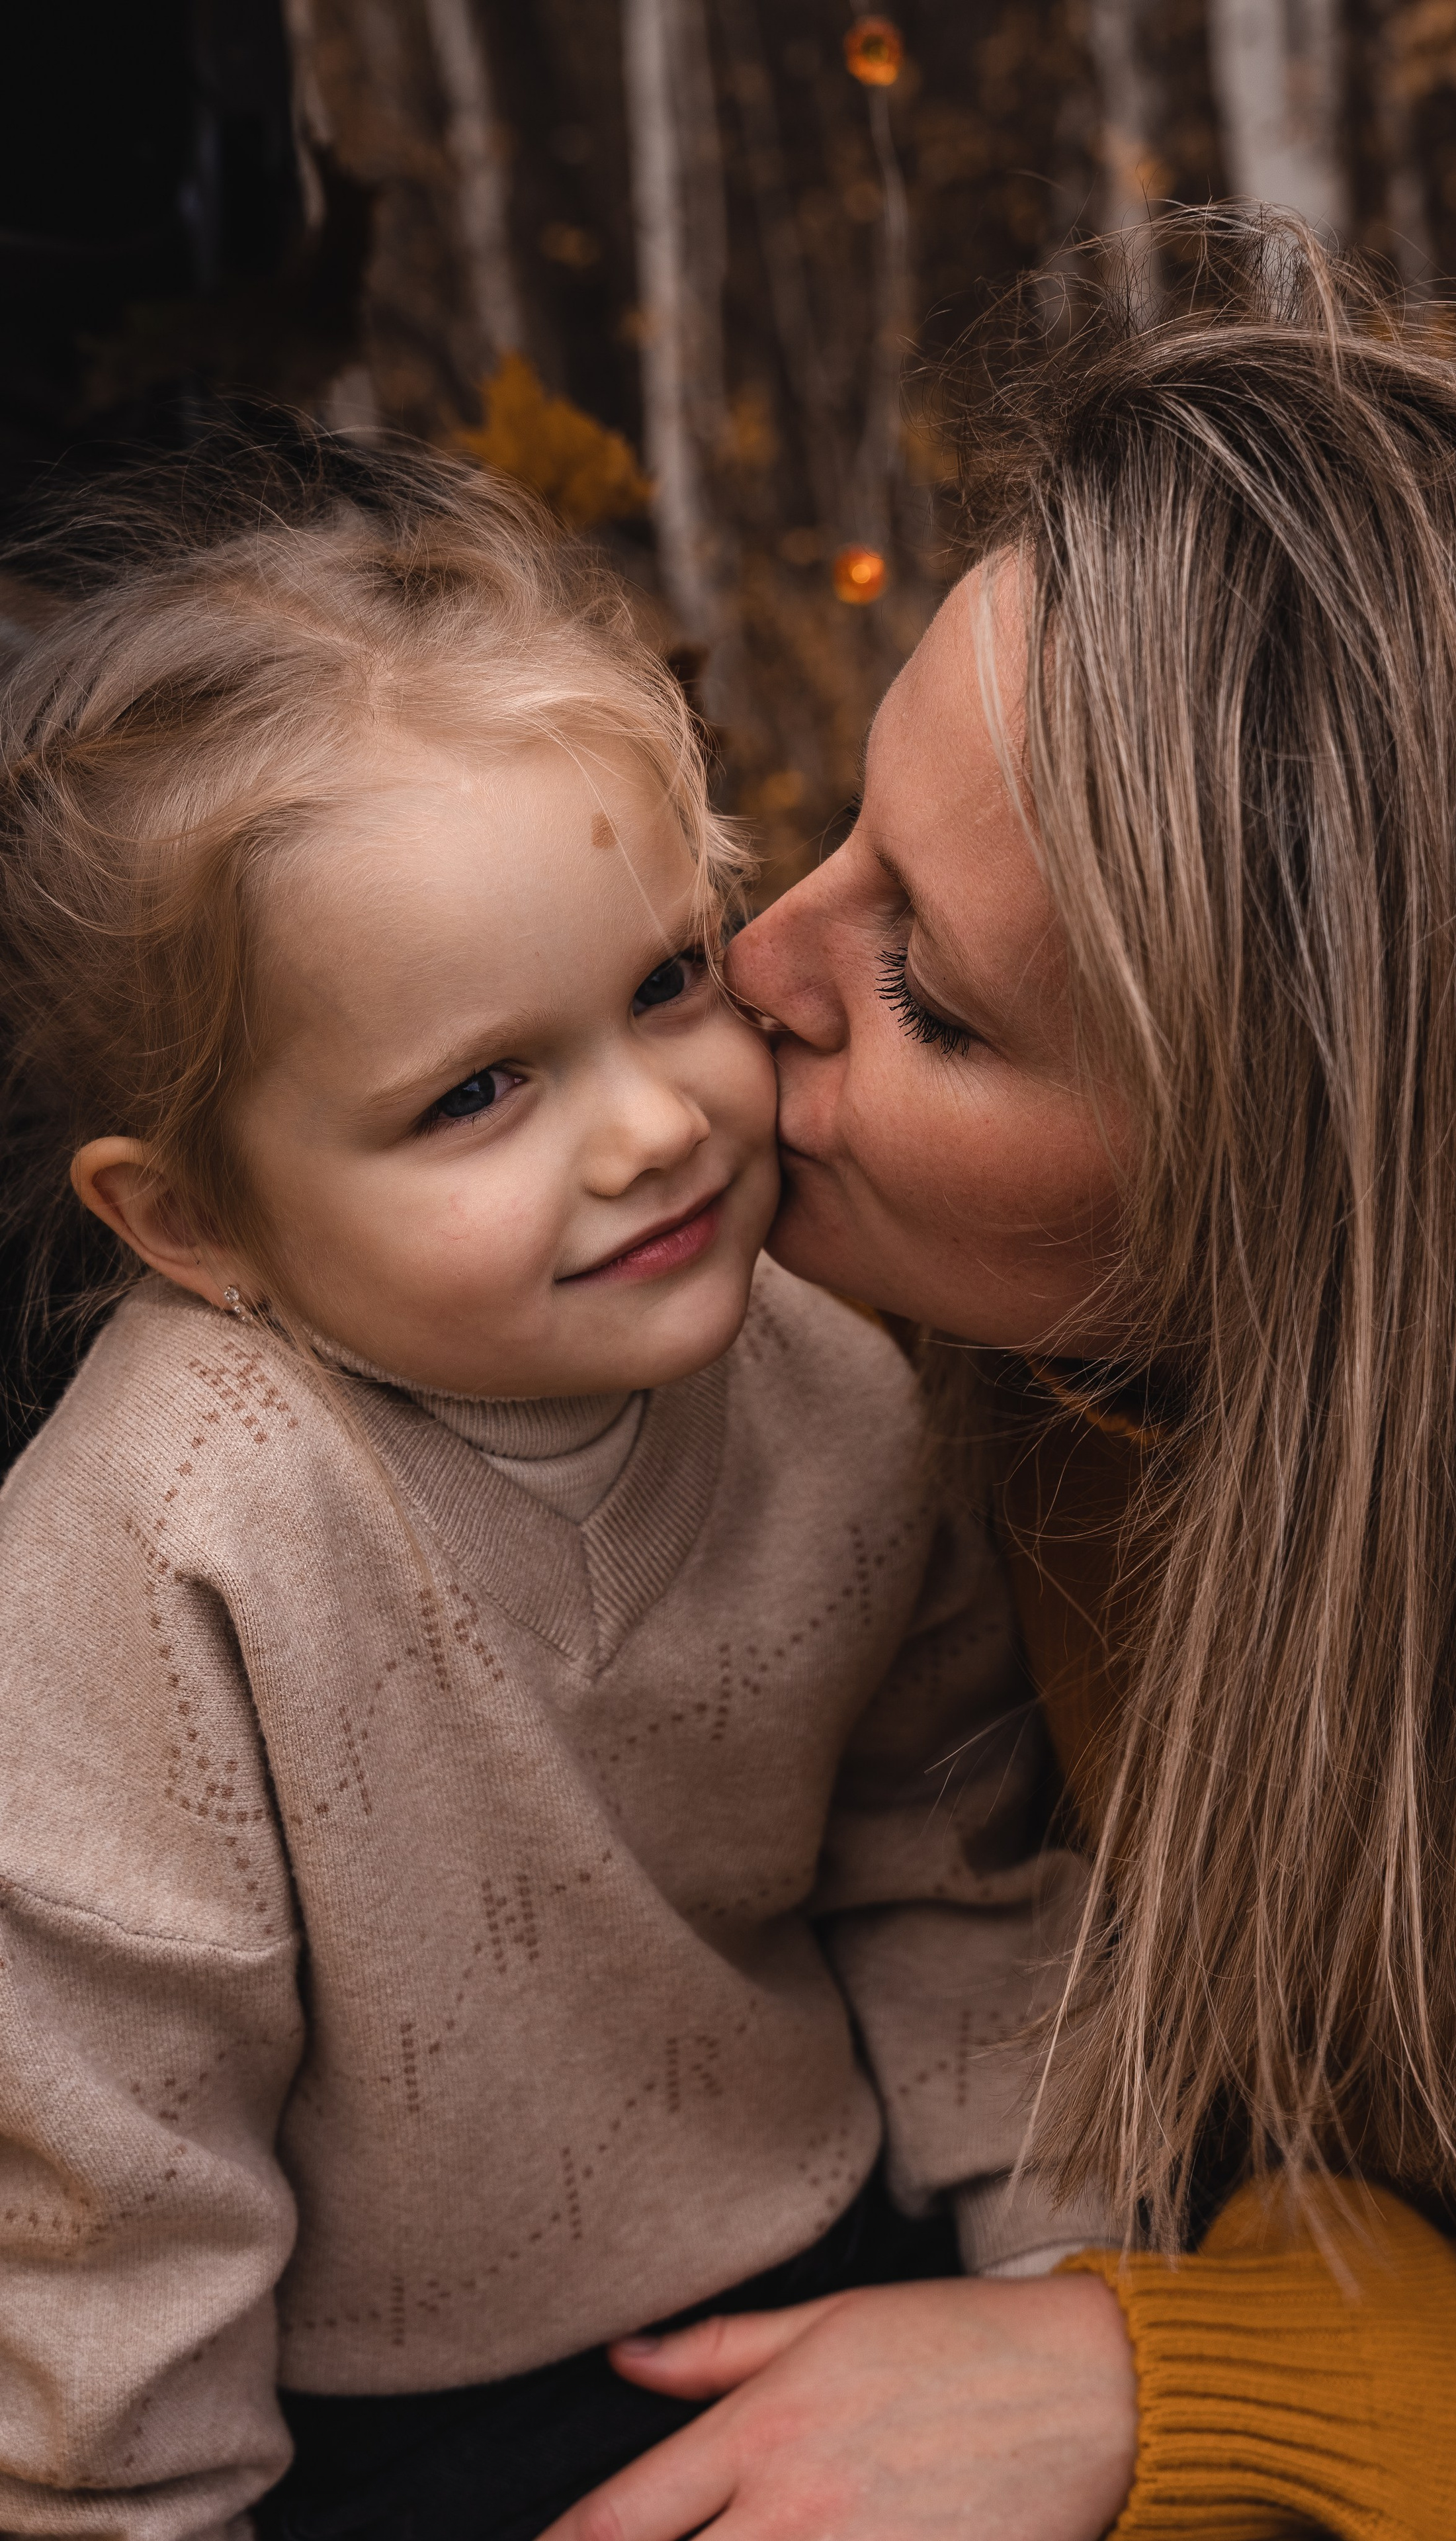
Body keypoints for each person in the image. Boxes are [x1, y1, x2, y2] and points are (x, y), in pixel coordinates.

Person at [540, 212, 1456, 2541]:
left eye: (932, 997)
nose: (754, 968)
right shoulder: (976, 1360)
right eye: (839, 829)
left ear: (1347, 1213)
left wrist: (1185, 2382)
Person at [0, 459, 1106, 2541]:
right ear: (195, 1221)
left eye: (667, 982)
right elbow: (106, 2150)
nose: (648, 1132)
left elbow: (952, 1858)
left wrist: (1059, 2256)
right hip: (365, 2425)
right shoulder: (163, 1550)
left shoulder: (844, 1388)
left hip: (850, 2269)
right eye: (480, 1091)